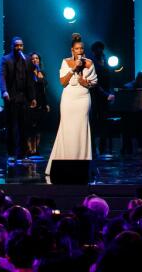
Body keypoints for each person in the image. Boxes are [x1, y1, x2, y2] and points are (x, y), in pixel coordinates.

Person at [47, 33, 97, 175]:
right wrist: (74, 68)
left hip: (83, 99)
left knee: (81, 129)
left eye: (81, 48)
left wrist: (85, 82)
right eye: (77, 49)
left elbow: (94, 83)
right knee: (67, 129)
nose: (79, 51)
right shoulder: (65, 62)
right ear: (72, 50)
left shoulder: (89, 63)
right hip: (69, 99)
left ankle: (82, 163)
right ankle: (64, 161)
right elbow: (63, 82)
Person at [0, 37, 37, 162]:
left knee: (23, 126)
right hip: (11, 97)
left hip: (23, 98)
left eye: (21, 45)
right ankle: (11, 153)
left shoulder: (26, 59)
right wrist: (4, 91)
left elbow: (31, 80)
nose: (19, 48)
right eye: (16, 46)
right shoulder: (6, 59)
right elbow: (2, 76)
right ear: (12, 46)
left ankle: (23, 153)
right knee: (11, 126)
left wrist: (32, 97)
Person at [88, 40, 116, 157]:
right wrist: (106, 94)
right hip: (95, 96)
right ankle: (92, 147)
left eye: (101, 48)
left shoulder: (105, 61)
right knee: (93, 122)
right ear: (94, 51)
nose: (100, 51)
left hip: (105, 96)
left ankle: (103, 146)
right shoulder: (91, 63)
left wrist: (110, 93)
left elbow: (109, 80)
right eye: (98, 49)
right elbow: (94, 83)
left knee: (104, 122)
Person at [28, 53, 49, 158]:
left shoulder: (42, 73)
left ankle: (36, 148)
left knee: (39, 128)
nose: (35, 60)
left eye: (37, 58)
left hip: (41, 102)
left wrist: (46, 103)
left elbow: (44, 89)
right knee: (31, 127)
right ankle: (30, 148)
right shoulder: (27, 72)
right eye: (33, 59)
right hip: (31, 102)